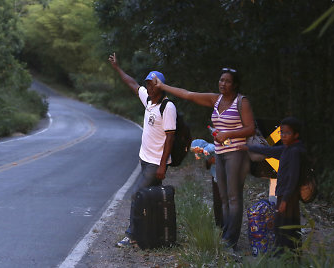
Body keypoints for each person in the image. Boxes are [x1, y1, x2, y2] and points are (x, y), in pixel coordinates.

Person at [154, 68, 255, 249]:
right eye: (221, 80)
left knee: (234, 197)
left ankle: (231, 240)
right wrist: (163, 86)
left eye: (228, 81)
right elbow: (188, 95)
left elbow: (250, 129)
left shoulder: (242, 102)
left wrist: (228, 134)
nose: (223, 83)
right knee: (223, 197)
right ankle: (225, 235)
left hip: (237, 154)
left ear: (236, 84)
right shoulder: (215, 99)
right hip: (220, 154)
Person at [108, 53, 177, 247]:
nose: (149, 86)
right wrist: (117, 68)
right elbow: (131, 83)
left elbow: (170, 137)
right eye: (148, 83)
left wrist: (163, 165)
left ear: (161, 86)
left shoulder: (167, 106)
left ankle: (132, 235)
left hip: (156, 163)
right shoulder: (148, 100)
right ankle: (151, 233)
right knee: (149, 198)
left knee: (137, 194)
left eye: (153, 83)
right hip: (145, 159)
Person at [240, 117, 304, 254]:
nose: (283, 136)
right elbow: (268, 151)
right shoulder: (286, 148)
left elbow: (293, 178)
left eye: (287, 133)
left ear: (296, 135)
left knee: (286, 227)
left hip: (288, 196)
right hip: (283, 193)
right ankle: (287, 255)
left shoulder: (294, 152)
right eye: (282, 132)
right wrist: (248, 147)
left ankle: (286, 256)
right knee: (283, 226)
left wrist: (285, 200)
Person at [191, 139, 223, 227]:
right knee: (218, 200)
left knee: (221, 199)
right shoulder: (206, 151)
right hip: (216, 174)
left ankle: (222, 222)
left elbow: (213, 151)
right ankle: (219, 223)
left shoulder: (209, 147)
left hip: (220, 174)